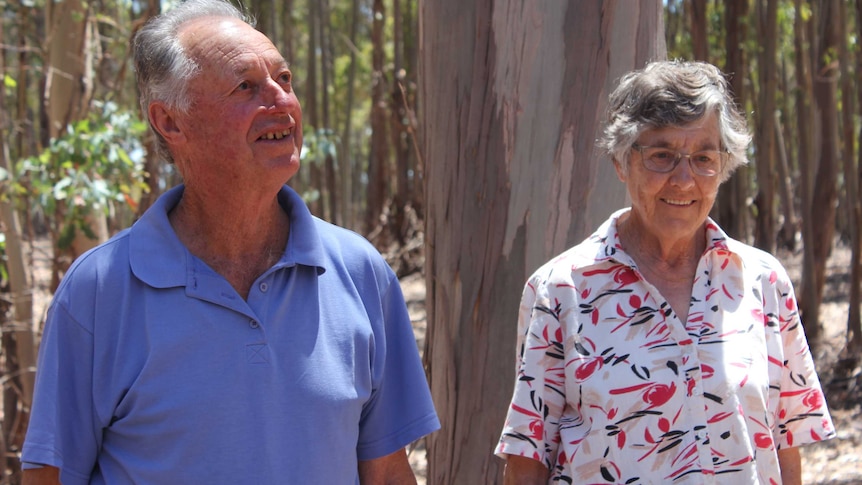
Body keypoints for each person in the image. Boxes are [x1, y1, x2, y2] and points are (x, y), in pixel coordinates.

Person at [21, 0, 439, 483]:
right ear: (170, 121)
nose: (281, 101)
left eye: (284, 80)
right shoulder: (98, 291)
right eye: (246, 86)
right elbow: (49, 476)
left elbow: (386, 472)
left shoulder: (359, 271)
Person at [495, 60, 835, 484]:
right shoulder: (558, 291)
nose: (684, 179)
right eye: (661, 156)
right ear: (622, 162)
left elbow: (785, 443)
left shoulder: (764, 282)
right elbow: (529, 456)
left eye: (703, 158)